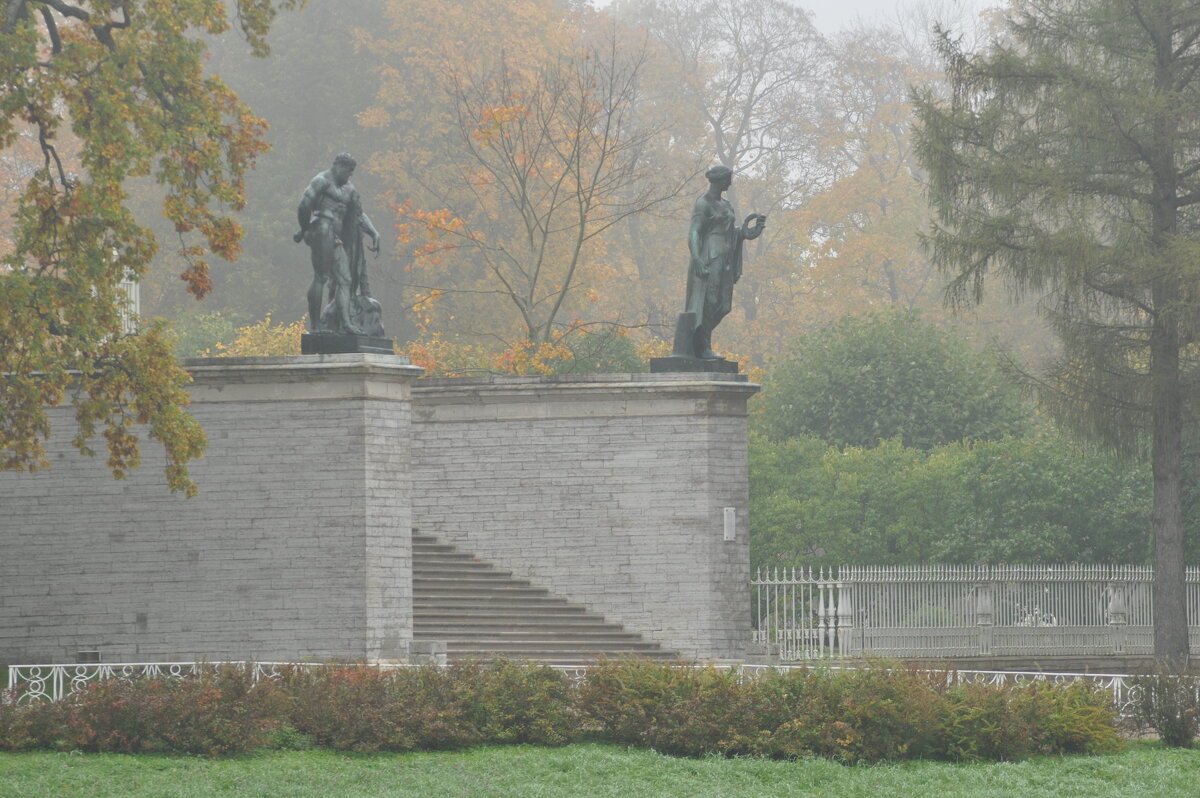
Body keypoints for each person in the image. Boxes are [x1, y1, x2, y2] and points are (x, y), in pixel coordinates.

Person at [681, 165, 766, 359]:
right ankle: (703, 347)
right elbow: (694, 231)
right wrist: (696, 259)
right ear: (719, 180)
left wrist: (748, 233)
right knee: (709, 301)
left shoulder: (727, 204)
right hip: (710, 255)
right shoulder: (703, 203)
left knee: (724, 305)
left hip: (726, 255)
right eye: (728, 179)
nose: (730, 182)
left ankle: (701, 342)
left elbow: (733, 231)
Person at [294, 152, 381, 334]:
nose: (350, 175)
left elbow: (358, 213)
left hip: (336, 237)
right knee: (321, 276)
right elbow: (304, 205)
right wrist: (305, 229)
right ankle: (316, 326)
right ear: (339, 166)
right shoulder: (322, 180)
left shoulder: (349, 188)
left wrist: (373, 231)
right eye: (349, 171)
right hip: (322, 229)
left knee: (345, 279)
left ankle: (347, 324)